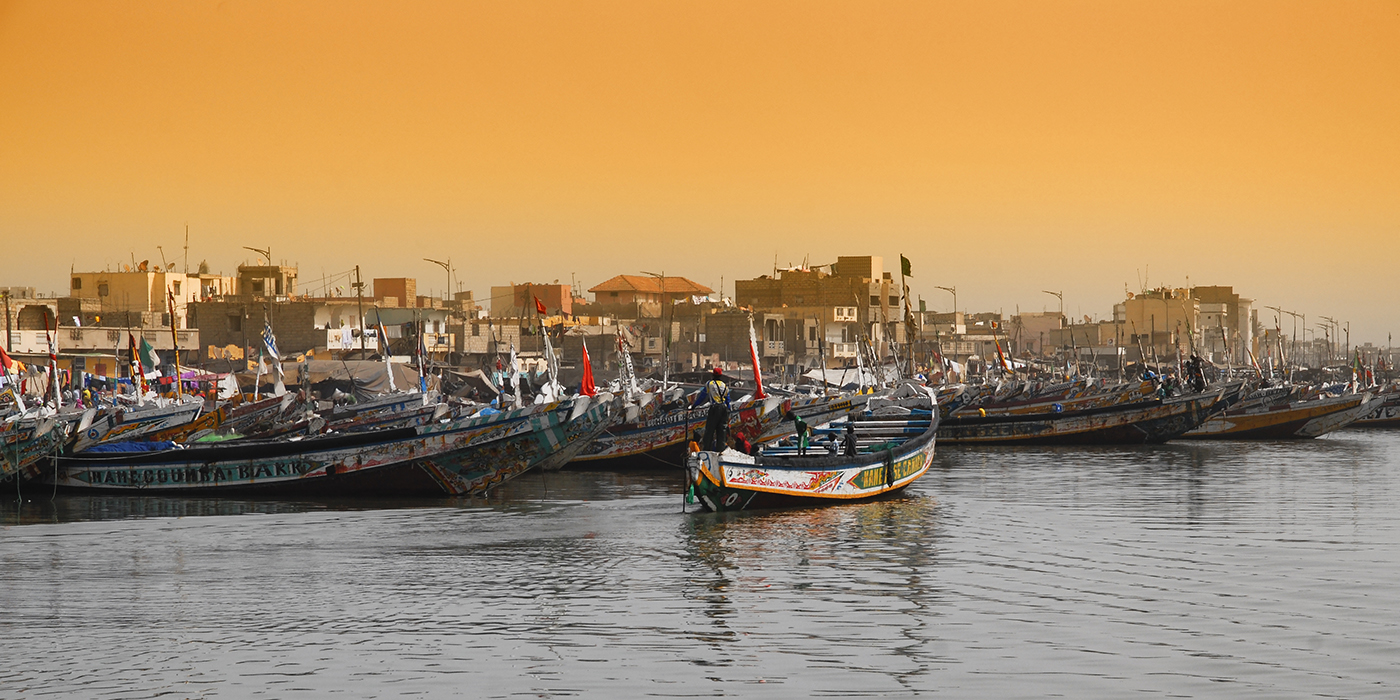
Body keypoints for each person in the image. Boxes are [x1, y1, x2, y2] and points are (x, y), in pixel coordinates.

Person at [701, 367, 730, 451]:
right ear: (721, 375)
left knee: (710, 430)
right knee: (722, 432)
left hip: (714, 408)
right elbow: (728, 401)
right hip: (724, 409)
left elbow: (702, 396)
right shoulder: (725, 386)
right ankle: (720, 451)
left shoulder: (709, 384)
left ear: (713, 375)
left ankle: (706, 450)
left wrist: (694, 406)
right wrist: (728, 412)